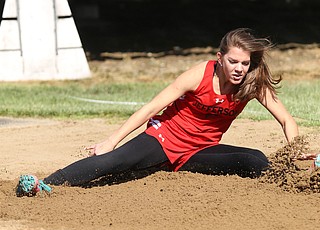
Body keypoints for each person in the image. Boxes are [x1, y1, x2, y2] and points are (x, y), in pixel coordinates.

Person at [18, 28, 302, 192]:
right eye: (233, 61)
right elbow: (153, 106)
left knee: (255, 160)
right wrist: (112, 140)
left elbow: (287, 121)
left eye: (244, 63)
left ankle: (293, 180)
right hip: (163, 140)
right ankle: (44, 184)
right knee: (113, 163)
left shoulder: (253, 83)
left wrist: (294, 152)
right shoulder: (198, 75)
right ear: (220, 59)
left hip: (198, 151)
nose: (239, 68)